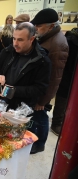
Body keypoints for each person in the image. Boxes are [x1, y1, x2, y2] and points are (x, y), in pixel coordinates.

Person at [0, 22, 51, 112]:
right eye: (14, 38)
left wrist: (13, 91)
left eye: (20, 40)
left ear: (31, 39)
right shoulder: (7, 51)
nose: (15, 43)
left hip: (20, 109)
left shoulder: (42, 60)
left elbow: (40, 89)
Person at [29, 8, 69, 154]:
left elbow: (55, 77)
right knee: (34, 117)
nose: (36, 29)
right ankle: (34, 141)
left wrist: (44, 100)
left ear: (51, 25)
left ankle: (39, 144)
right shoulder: (47, 37)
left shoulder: (58, 44)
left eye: (39, 26)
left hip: (43, 92)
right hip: (37, 87)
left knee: (40, 116)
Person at [51, 28, 78, 136]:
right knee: (63, 99)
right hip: (67, 75)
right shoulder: (71, 39)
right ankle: (57, 123)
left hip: (72, 74)